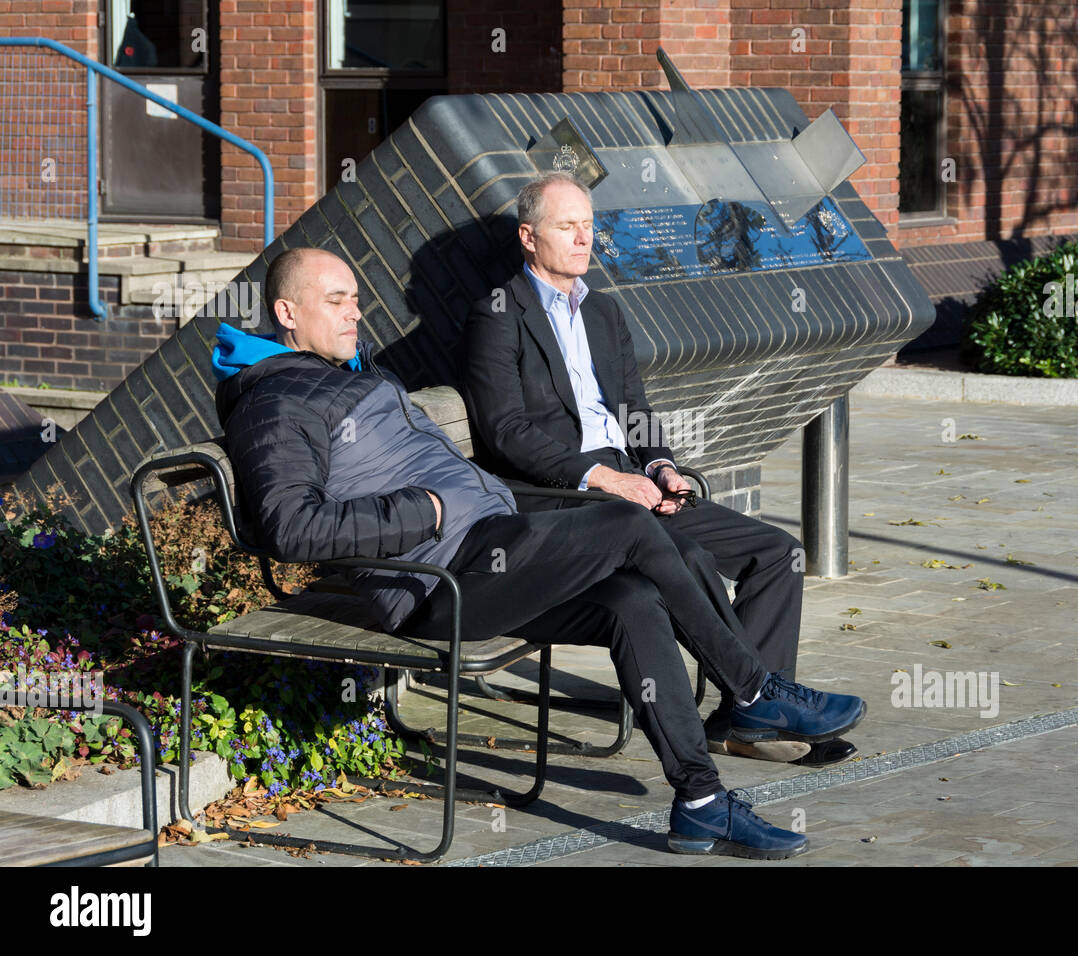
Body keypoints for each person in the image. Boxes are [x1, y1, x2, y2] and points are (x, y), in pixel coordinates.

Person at [210, 247, 865, 860]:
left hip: (489, 549)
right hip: (438, 584)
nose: (355, 311)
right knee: (630, 527)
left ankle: (700, 801)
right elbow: (291, 527)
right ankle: (752, 690)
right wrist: (425, 511)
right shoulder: (274, 400)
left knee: (632, 602)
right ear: (287, 313)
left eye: (355, 297)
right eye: (336, 300)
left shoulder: (339, 371)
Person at [459, 171, 856, 767]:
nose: (582, 238)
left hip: (632, 481)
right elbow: (506, 432)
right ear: (528, 237)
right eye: (566, 226)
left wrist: (662, 469)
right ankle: (757, 702)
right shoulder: (498, 314)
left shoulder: (605, 314)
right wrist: (606, 480)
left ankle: (747, 719)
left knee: (776, 553)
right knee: (689, 559)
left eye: (589, 226)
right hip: (567, 497)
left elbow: (633, 411)